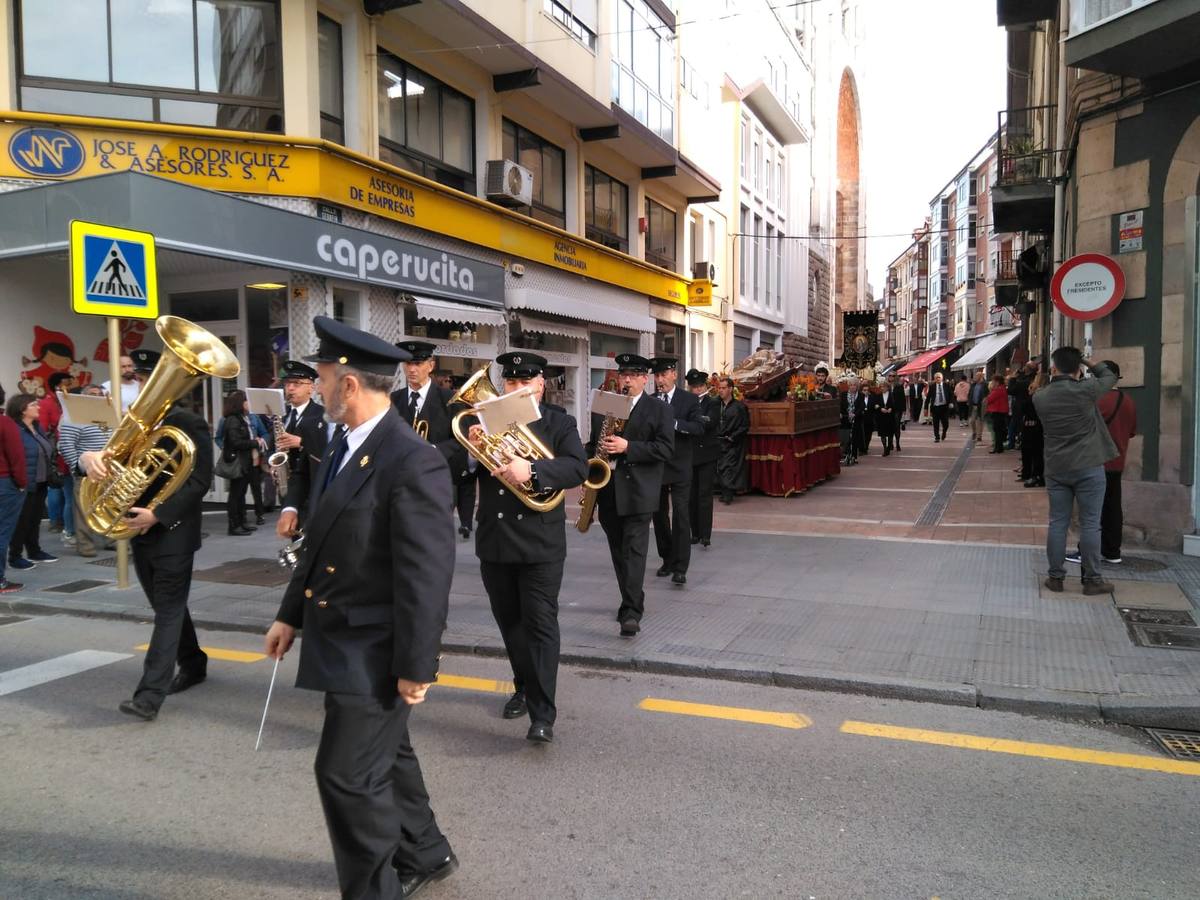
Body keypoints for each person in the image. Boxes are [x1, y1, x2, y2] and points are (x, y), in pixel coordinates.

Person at [263, 316, 458, 900]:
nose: (315, 388)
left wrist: (418, 665)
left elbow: (427, 574)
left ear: (348, 384)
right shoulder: (341, 444)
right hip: (338, 633)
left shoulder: (410, 458)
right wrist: (289, 614)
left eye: (321, 377)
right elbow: (319, 542)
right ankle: (426, 850)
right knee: (386, 756)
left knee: (346, 776)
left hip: (373, 650)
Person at [468, 352, 587, 743]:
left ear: (540, 384)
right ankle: (522, 685)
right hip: (496, 541)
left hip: (540, 543)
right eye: (510, 383)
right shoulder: (483, 421)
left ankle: (543, 715)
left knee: (539, 625)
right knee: (510, 625)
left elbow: (577, 468)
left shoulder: (559, 423)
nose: (516, 389)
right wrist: (471, 454)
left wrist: (532, 470)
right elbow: (456, 468)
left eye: (524, 382)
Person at [79, 388, 214, 720]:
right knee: (166, 607)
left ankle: (149, 696)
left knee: (167, 611)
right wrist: (88, 460)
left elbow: (199, 481)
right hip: (138, 532)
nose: (141, 391)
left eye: (147, 381)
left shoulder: (188, 422)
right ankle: (194, 662)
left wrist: (158, 514)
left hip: (172, 532)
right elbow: (108, 462)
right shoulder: (135, 425)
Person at [588, 354, 673, 638]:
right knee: (618, 552)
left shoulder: (658, 409)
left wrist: (628, 447)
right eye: (623, 375)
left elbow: (664, 449)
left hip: (639, 491)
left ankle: (631, 611)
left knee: (634, 551)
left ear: (644, 379)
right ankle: (633, 598)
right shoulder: (606, 404)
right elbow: (593, 443)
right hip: (609, 489)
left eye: (633, 375)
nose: (626, 380)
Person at [1031, 348, 1117, 595]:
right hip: (1089, 465)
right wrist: (1086, 361)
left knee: (1058, 522)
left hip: (1057, 467)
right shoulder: (1086, 391)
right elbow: (1109, 377)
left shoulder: (1041, 397)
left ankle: (1056, 578)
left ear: (1054, 368)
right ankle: (1092, 580)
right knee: (1091, 524)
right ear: (1078, 369)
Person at [1066, 360, 1137, 566]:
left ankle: (1086, 552)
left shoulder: (1095, 399)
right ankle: (1112, 551)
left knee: (1090, 511)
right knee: (1113, 508)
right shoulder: (1129, 401)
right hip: (1117, 461)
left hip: (1094, 461)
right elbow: (1131, 432)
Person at [649, 357, 704, 586]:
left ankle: (681, 567)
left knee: (681, 515)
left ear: (674, 375)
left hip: (680, 465)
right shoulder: (650, 401)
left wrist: (673, 423)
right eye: (657, 376)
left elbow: (699, 427)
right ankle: (667, 559)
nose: (660, 380)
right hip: (658, 464)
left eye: (664, 375)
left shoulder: (689, 399)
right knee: (659, 515)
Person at [58, 384, 114, 557]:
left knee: (111, 507)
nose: (96, 397)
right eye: (91, 394)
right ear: (83, 397)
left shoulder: (107, 416)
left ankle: (111, 540)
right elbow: (66, 445)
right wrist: (78, 468)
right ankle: (85, 546)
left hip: (110, 471)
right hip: (86, 471)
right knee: (84, 511)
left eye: (99, 394)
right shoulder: (73, 418)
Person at [7, 393, 58, 570]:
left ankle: (34, 551)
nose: (39, 407)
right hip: (23, 482)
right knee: (22, 520)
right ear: (22, 409)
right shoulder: (14, 428)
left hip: (41, 480)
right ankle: (15, 556)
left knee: (35, 518)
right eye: (34, 405)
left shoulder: (37, 427)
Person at [219, 390, 263, 537]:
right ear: (240, 404)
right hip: (238, 461)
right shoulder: (233, 420)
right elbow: (236, 442)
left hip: (245, 461)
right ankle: (234, 525)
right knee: (235, 494)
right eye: (246, 401)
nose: (249, 404)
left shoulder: (243, 418)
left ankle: (242, 522)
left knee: (241, 492)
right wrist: (254, 442)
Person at [686, 370, 719, 548]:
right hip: (691, 455)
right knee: (691, 496)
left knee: (704, 495)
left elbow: (711, 422)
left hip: (706, 455)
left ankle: (705, 535)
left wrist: (694, 419)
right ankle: (695, 533)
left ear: (705, 386)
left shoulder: (712, 402)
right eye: (694, 387)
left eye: (700, 387)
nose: (698, 390)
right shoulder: (687, 403)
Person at [0, 383, 28, 592]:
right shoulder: (5, 423)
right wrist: (22, 483)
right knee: (2, 531)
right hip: (5, 482)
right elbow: (16, 456)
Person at [40, 371, 74, 541]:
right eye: (66, 384)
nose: (70, 387)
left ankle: (62, 522)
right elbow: (44, 429)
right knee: (55, 488)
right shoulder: (47, 404)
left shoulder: (66, 401)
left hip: (66, 451)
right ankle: (56, 522)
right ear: (57, 386)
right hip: (56, 453)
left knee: (63, 489)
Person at [715, 376, 749, 503]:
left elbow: (745, 426)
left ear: (730, 389)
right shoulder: (715, 405)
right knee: (719, 467)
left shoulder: (739, 407)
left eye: (723, 388)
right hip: (718, 441)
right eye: (719, 388)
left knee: (729, 468)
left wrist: (732, 437)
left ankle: (728, 493)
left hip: (731, 443)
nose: (720, 391)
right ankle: (724, 492)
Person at [1019, 373, 1048, 488]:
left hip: (1035, 426)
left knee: (1036, 452)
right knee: (1032, 451)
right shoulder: (1040, 394)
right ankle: (1031, 474)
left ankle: (1037, 476)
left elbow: (1025, 407)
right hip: (1033, 425)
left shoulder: (1039, 395)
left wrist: (1031, 394)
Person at [839, 377, 865, 465]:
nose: (852, 387)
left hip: (856, 418)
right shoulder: (843, 394)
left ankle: (854, 455)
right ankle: (846, 454)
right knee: (846, 438)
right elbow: (840, 405)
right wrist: (841, 413)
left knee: (855, 438)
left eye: (854, 385)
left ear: (857, 386)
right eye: (851, 385)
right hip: (846, 419)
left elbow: (862, 406)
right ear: (848, 386)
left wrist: (855, 414)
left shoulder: (861, 395)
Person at [924, 372, 954, 442]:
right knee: (936, 423)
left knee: (946, 423)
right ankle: (937, 437)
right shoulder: (932, 386)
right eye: (936, 378)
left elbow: (951, 395)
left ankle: (944, 432)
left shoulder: (946, 385)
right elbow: (928, 398)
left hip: (944, 407)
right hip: (935, 407)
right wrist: (925, 408)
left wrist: (951, 402)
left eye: (939, 377)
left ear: (942, 378)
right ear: (934, 379)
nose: (938, 379)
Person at [985, 375, 1009, 454]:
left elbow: (989, 399)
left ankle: (998, 447)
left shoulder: (998, 389)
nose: (993, 383)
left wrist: (991, 390)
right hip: (1000, 411)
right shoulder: (1002, 388)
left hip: (998, 411)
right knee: (998, 429)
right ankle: (999, 447)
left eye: (994, 381)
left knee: (997, 430)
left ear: (997, 382)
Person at [875, 377, 899, 456]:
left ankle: (889, 447)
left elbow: (896, 404)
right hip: (881, 417)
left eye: (884, 387)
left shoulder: (892, 395)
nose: (882, 388)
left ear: (888, 387)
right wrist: (880, 408)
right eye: (881, 387)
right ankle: (885, 448)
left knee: (890, 433)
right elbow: (875, 405)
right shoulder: (878, 395)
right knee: (882, 434)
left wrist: (891, 409)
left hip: (890, 417)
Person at [968, 370, 988, 443]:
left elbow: (987, 394)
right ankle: (974, 432)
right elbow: (970, 393)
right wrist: (969, 401)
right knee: (972, 421)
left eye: (976, 376)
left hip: (981, 405)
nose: (975, 377)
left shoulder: (985, 385)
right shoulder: (973, 385)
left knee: (980, 421)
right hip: (973, 405)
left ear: (980, 377)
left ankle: (979, 436)